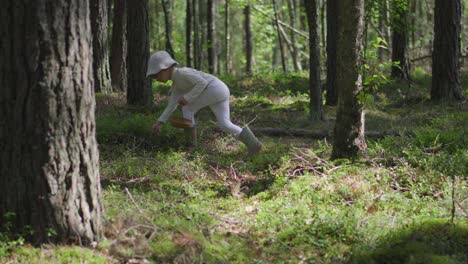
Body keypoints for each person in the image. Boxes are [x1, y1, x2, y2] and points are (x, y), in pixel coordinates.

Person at [147, 50, 262, 156]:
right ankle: (254, 144)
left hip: (215, 89)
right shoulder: (176, 85)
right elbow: (172, 105)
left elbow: (202, 82)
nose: (156, 78)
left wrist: (187, 97)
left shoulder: (183, 73)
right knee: (225, 124)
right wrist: (159, 122)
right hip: (221, 90)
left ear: (166, 68)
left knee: (187, 108)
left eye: (157, 74)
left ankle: (191, 147)